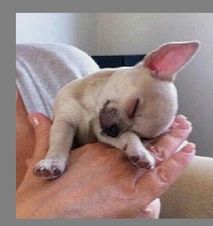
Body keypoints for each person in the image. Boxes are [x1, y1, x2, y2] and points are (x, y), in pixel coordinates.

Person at [16, 43, 196, 218]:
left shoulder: (64, 61)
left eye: (139, 134)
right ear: (157, 62)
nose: (115, 127)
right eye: (132, 108)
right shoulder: (71, 88)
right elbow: (66, 123)